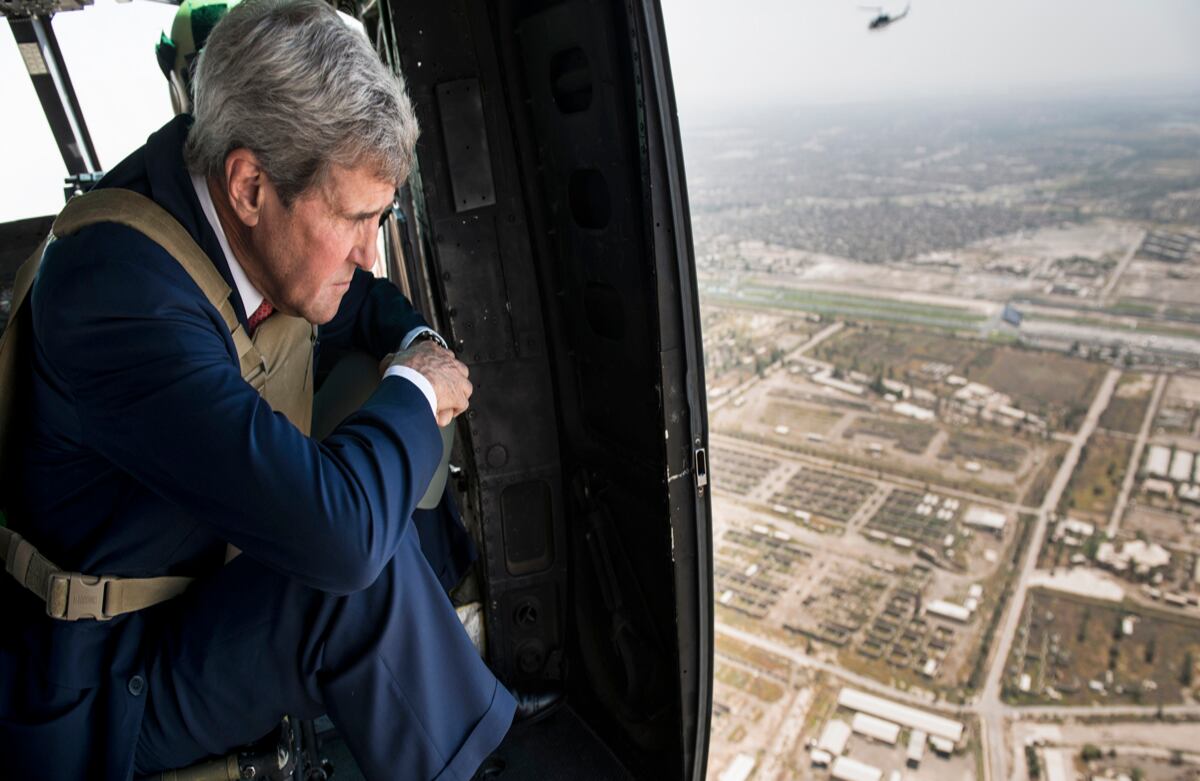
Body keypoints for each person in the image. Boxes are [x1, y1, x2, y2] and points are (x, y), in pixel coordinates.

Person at [0, 0, 519, 778]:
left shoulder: (218, 198)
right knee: (357, 570)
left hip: (181, 602)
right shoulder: (121, 294)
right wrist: (414, 389)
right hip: (96, 686)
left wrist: (415, 345)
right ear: (249, 186)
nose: (371, 254)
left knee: (389, 528)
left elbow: (357, 303)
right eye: (355, 220)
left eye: (383, 219)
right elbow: (338, 542)